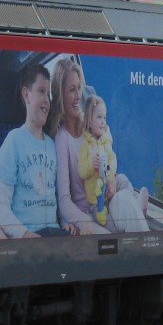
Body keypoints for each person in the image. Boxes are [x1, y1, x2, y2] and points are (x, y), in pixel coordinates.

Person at [0, 65, 75, 238]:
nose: (47, 101)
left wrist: (66, 222)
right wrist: (24, 234)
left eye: (48, 94)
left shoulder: (52, 144)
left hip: (55, 234)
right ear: (26, 95)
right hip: (28, 237)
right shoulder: (14, 141)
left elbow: (57, 197)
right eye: (41, 91)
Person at [46, 56, 105, 235]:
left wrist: (110, 180)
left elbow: (106, 164)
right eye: (72, 90)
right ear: (60, 96)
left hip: (103, 203)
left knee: (125, 200)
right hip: (84, 214)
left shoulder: (91, 127)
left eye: (79, 88)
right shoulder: (61, 139)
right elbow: (64, 199)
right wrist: (80, 220)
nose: (78, 95)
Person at [77, 95, 149, 233]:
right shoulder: (86, 145)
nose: (103, 121)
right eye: (99, 117)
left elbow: (112, 159)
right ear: (89, 122)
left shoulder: (106, 142)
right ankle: (118, 228)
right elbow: (81, 170)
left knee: (122, 178)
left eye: (105, 117)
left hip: (110, 189)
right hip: (97, 201)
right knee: (108, 224)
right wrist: (92, 164)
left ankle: (137, 204)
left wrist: (110, 177)